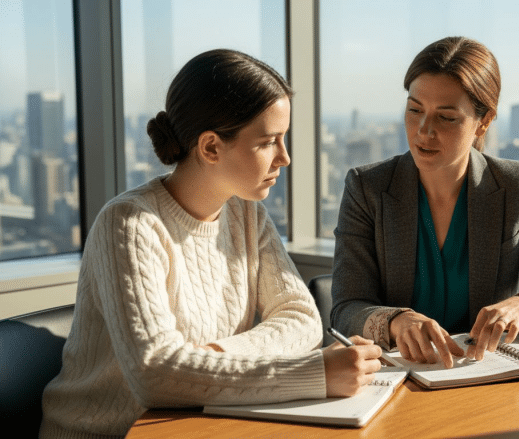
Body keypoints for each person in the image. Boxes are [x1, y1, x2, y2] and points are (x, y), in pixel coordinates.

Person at [40, 49, 381, 438]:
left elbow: (302, 320)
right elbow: (154, 375)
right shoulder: (131, 225)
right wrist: (311, 374)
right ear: (211, 147)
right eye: (268, 141)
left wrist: (212, 357)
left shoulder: (246, 214)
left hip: (201, 425)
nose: (284, 158)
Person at [330, 36, 519, 369]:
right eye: (414, 110)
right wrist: (396, 322)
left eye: (446, 118)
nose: (424, 131)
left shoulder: (514, 185)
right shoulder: (368, 188)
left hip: (484, 379)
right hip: (398, 381)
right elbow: (346, 308)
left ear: (484, 120)